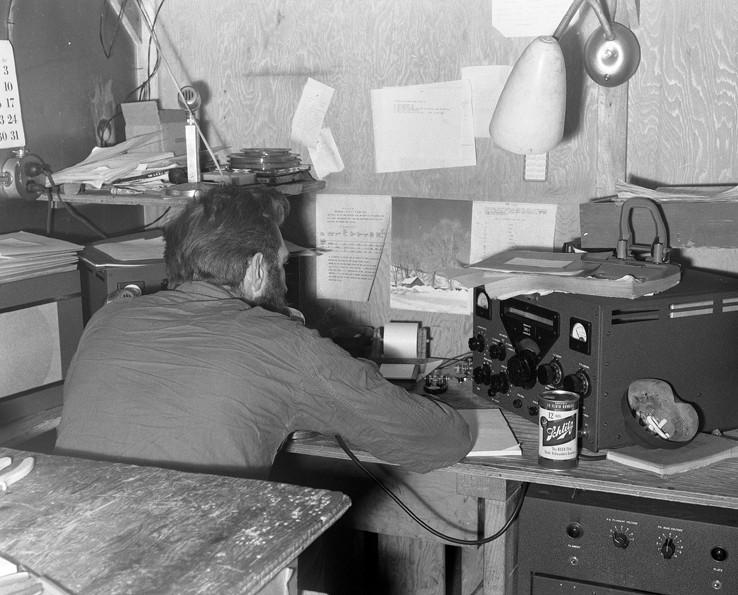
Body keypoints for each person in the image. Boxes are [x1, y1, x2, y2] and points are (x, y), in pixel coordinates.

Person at [55, 185, 472, 480]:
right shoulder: (281, 344)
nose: (286, 281)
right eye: (282, 264)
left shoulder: (105, 321)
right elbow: (441, 442)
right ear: (257, 270)